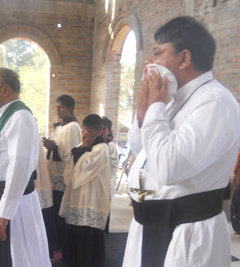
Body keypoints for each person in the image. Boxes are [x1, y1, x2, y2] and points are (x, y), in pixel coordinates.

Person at [123, 16, 240, 267]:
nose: (149, 62)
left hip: (186, 235)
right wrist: (144, 116)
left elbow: (170, 168)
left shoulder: (215, 102)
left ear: (184, 58)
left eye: (157, 52)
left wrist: (155, 108)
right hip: (149, 227)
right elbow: (142, 154)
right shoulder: (171, 99)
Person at [0, 67, 50, 267]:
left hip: (12, 203)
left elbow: (19, 168)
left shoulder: (20, 118)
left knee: (15, 257)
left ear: (5, 90)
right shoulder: (5, 116)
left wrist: (4, 213)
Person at [59, 114, 111, 267]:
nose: (85, 134)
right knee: (75, 228)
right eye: (84, 130)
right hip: (79, 195)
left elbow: (86, 166)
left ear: (99, 131)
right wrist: (84, 147)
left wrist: (86, 148)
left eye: (89, 131)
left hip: (92, 196)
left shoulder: (102, 148)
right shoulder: (87, 145)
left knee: (87, 233)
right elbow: (72, 163)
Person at [41, 95, 82, 256]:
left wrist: (54, 148)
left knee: (60, 211)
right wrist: (49, 147)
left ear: (69, 109)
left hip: (62, 177)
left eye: (61, 107)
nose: (57, 110)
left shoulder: (73, 128)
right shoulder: (60, 127)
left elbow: (73, 155)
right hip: (53, 174)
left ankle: (61, 242)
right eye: (56, 107)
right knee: (54, 211)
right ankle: (56, 241)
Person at [101, 116, 119, 234]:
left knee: (105, 206)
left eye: (105, 129)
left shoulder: (110, 145)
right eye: (100, 128)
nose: (102, 131)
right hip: (98, 181)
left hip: (107, 181)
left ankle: (105, 230)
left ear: (109, 130)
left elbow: (114, 164)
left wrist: (108, 180)